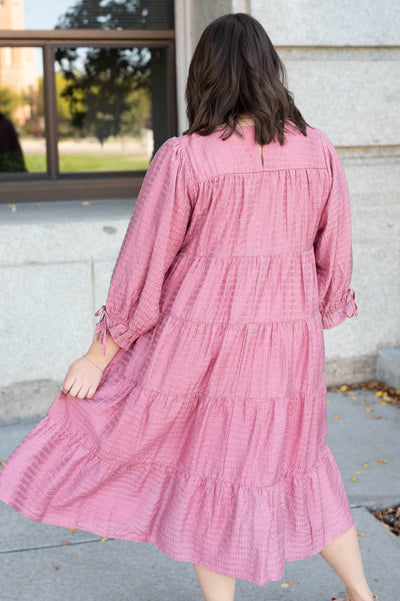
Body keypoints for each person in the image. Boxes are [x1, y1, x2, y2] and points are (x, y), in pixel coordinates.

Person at [0, 12, 377, 601]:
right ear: (269, 72)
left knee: (213, 472)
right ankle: (362, 592)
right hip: (291, 347)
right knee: (299, 464)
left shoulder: (188, 157)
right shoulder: (318, 150)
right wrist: (313, 309)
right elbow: (336, 254)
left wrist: (99, 357)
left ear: (206, 75)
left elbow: (143, 265)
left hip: (207, 348)